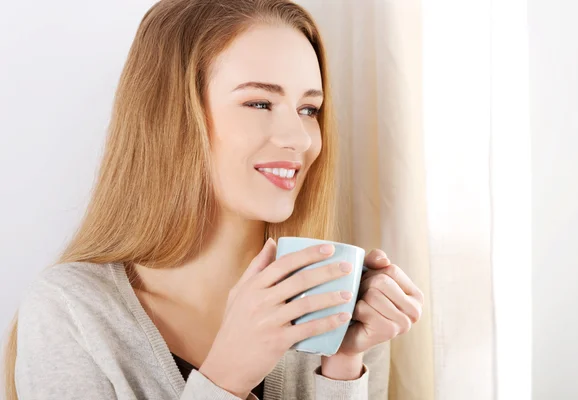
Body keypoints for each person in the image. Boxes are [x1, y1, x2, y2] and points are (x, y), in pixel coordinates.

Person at [3, 0, 424, 399]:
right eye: (259, 102)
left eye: (309, 110)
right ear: (171, 116)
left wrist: (342, 366)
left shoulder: (335, 307)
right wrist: (227, 375)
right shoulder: (72, 310)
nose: (299, 138)